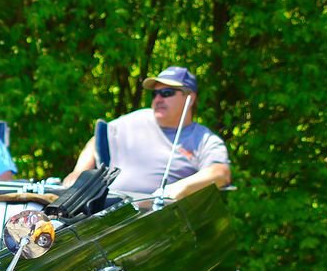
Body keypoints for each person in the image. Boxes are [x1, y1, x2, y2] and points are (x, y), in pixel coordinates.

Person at [65, 65, 231, 200]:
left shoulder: (203, 139)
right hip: (106, 212)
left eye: (167, 93)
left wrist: (181, 188)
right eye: (155, 94)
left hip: (160, 223)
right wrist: (79, 172)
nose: (158, 99)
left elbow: (220, 172)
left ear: (190, 98)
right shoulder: (135, 120)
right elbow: (96, 141)